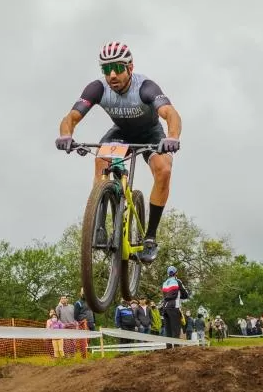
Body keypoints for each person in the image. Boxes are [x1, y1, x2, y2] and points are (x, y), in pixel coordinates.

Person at [55, 42, 183, 263]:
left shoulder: (145, 88)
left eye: (117, 68)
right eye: (106, 69)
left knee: (163, 170)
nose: (112, 74)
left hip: (150, 134)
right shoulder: (97, 89)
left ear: (130, 68)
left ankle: (150, 237)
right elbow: (71, 118)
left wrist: (172, 138)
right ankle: (99, 222)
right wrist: (66, 135)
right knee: (101, 161)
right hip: (121, 133)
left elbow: (171, 114)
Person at [159, 265, 189, 349]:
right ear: (176, 273)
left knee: (168, 329)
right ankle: (176, 348)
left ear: (168, 274)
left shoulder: (164, 283)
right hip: (174, 307)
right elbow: (186, 294)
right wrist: (181, 297)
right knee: (176, 328)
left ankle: (168, 348)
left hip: (165, 308)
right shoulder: (178, 281)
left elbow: (165, 295)